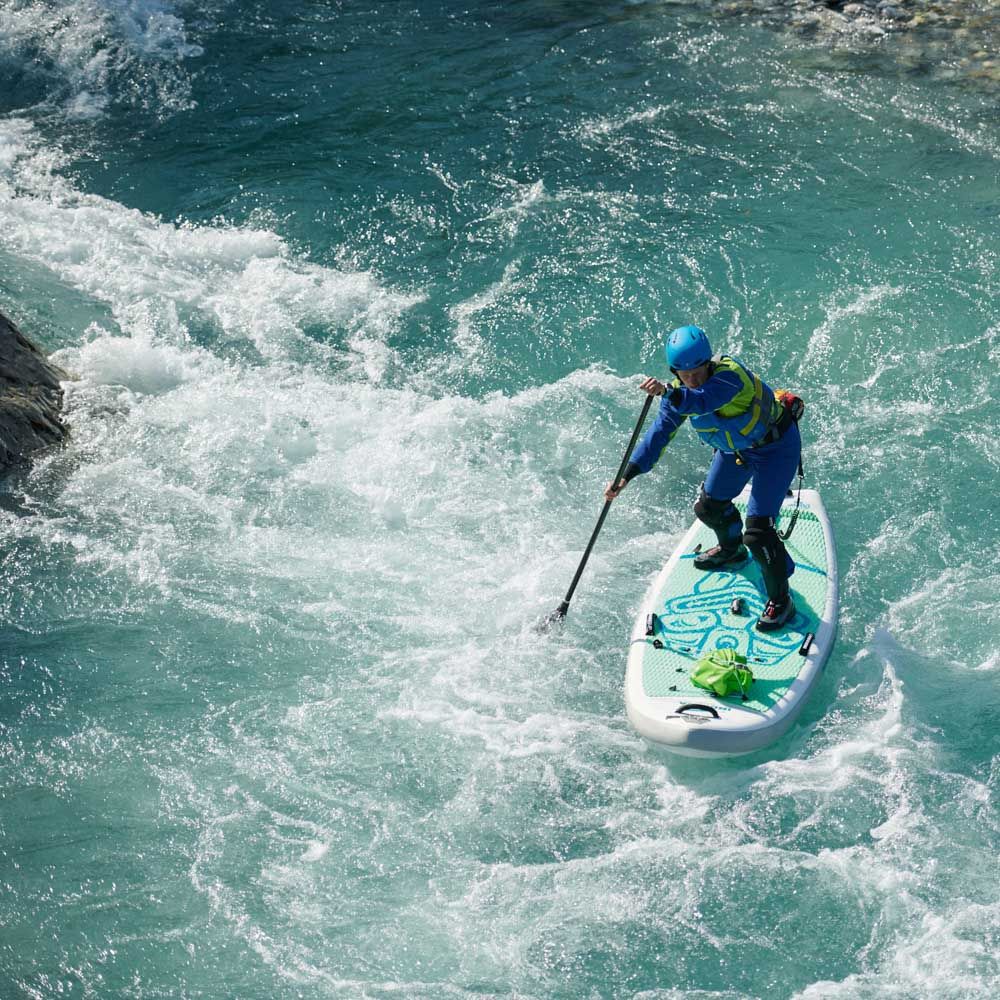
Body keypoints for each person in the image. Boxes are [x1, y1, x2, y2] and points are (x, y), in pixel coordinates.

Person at [604, 325, 801, 632]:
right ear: (675, 372)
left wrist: (670, 392)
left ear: (708, 362)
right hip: (735, 452)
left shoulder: (729, 377)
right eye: (686, 376)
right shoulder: (677, 394)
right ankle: (731, 551)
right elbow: (657, 438)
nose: (694, 380)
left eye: (699, 371)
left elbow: (702, 401)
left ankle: (782, 601)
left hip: (775, 449)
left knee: (759, 534)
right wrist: (626, 476)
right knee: (708, 507)